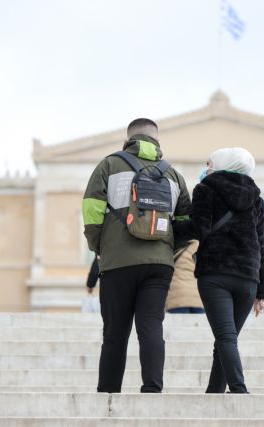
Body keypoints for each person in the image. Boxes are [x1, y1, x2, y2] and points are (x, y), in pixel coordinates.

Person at [82, 118, 191, 393]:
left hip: (117, 262)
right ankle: (152, 389)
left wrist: (99, 247)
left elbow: (91, 213)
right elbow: (187, 224)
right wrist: (167, 250)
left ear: (128, 139)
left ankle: (108, 393)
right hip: (159, 265)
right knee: (151, 326)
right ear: (157, 141)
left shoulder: (109, 165)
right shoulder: (173, 175)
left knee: (115, 333)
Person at [173, 147, 264, 394]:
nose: (206, 168)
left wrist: (170, 228)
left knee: (226, 337)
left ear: (222, 164)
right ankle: (214, 394)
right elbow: (261, 245)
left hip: (215, 274)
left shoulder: (205, 189)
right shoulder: (256, 199)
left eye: (209, 163)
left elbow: (199, 228)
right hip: (248, 279)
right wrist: (263, 290)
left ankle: (239, 390)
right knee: (226, 338)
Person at [166, 240, 205, 314]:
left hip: (177, 296)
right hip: (197, 296)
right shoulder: (200, 247)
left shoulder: (173, 246)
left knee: (179, 321)